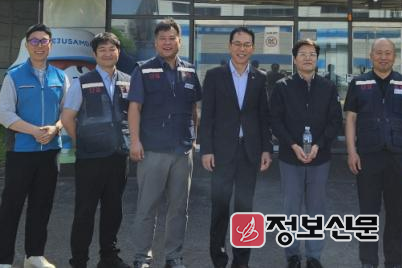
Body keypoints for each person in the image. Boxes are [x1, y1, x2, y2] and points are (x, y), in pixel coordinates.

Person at [128, 18, 202, 268]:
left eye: (172, 38)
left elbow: (193, 109)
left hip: (182, 150)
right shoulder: (143, 70)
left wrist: (194, 139)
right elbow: (134, 108)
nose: (167, 43)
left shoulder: (190, 70)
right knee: (147, 207)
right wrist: (135, 141)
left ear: (180, 41)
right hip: (153, 150)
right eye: (163, 39)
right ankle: (142, 257)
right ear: (155, 43)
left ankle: (174, 256)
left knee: (179, 208)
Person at [0, 23, 69, 268]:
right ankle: (3, 260)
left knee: (42, 205)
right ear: (27, 45)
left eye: (44, 41)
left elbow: (67, 112)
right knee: (11, 206)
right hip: (21, 151)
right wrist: (34, 131)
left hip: (50, 152)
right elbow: (4, 114)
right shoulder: (14, 76)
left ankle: (34, 255)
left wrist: (55, 128)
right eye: (34, 41)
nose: (39, 45)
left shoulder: (60, 76)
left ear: (51, 45)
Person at [344, 38, 402, 268]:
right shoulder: (359, 83)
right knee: (367, 214)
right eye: (379, 53)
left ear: (394, 56)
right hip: (368, 156)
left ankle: (394, 262)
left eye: (388, 53)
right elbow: (350, 119)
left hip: (397, 156)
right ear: (371, 56)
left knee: (396, 213)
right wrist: (351, 152)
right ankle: (368, 262)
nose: (383, 57)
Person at [200, 26, 273, 268]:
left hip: (249, 152)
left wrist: (266, 149)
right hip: (221, 153)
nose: (242, 49)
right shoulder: (214, 76)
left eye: (247, 44)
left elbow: (263, 117)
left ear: (253, 48)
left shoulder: (259, 77)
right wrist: (206, 149)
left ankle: (241, 262)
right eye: (238, 44)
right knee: (220, 208)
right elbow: (207, 115)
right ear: (230, 46)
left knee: (245, 210)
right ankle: (219, 260)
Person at [60, 32, 131, 268]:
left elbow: (134, 116)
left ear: (118, 52)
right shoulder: (82, 82)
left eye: (112, 49)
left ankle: (109, 257)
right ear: (95, 54)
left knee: (113, 210)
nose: (108, 53)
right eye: (102, 50)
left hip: (118, 156)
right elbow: (67, 117)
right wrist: (81, 141)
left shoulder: (128, 81)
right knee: (85, 211)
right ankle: (79, 260)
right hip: (90, 158)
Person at [270, 39, 343, 268]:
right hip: (290, 157)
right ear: (295, 59)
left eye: (312, 54)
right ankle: (292, 255)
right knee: (291, 207)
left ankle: (313, 256)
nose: (308, 58)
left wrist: (319, 145)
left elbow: (335, 121)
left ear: (317, 59)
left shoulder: (328, 87)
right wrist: (293, 144)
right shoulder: (282, 86)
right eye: (303, 54)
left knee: (316, 208)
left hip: (319, 158)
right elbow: (275, 121)